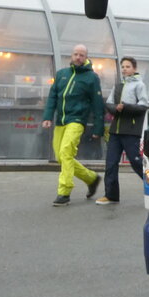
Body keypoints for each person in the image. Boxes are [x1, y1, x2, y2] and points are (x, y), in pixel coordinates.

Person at [41, 44, 104, 207]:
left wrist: (98, 128)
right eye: (76, 54)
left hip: (77, 120)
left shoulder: (91, 77)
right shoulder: (62, 74)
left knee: (66, 152)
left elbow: (98, 104)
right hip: (61, 121)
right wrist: (48, 116)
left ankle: (64, 192)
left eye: (82, 55)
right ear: (71, 55)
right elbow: (53, 96)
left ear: (86, 58)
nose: (78, 57)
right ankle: (91, 178)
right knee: (61, 157)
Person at [98, 56, 149, 205]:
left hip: (131, 131)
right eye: (123, 67)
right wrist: (116, 108)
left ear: (134, 68)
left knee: (135, 161)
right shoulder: (118, 86)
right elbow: (109, 104)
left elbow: (143, 105)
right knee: (111, 163)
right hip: (116, 131)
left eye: (127, 66)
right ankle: (111, 195)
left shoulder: (139, 85)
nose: (125, 69)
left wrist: (125, 106)